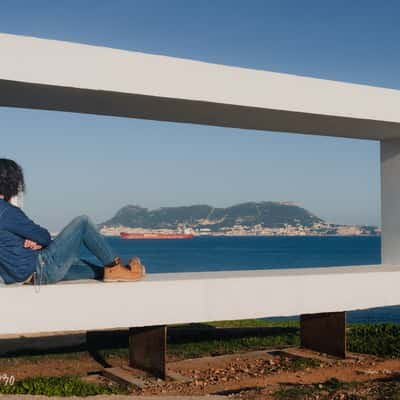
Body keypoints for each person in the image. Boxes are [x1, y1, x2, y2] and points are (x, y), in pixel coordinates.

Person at [0, 159, 146, 286]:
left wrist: (29, 240)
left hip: (26, 276)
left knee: (82, 264)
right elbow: (44, 237)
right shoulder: (6, 211)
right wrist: (36, 240)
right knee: (82, 223)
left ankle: (120, 271)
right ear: (13, 183)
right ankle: (114, 266)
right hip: (42, 268)